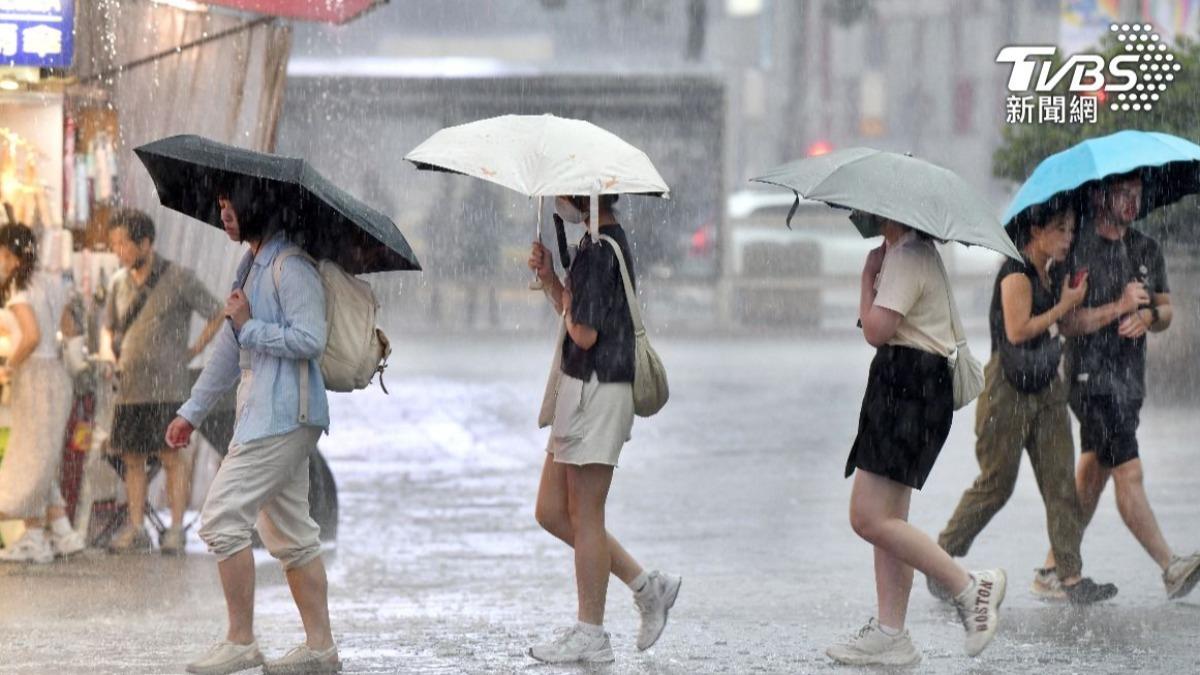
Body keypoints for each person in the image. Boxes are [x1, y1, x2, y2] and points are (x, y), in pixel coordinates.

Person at [165, 186, 339, 675]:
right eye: (219, 205)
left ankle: (241, 641)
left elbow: (310, 338)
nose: (223, 214)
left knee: (221, 519)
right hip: (262, 413)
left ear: (257, 207)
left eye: (230, 205)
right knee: (292, 536)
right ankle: (321, 649)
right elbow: (229, 345)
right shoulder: (251, 266)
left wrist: (250, 325)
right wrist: (192, 410)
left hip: (283, 416)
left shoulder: (290, 266)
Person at [826, 214, 1004, 667]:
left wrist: (867, 277)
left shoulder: (906, 256)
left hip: (906, 389)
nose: (861, 216)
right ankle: (891, 633)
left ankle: (968, 586)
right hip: (914, 390)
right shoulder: (916, 254)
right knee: (890, 523)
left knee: (867, 518)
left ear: (888, 211)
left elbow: (875, 330)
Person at [932, 198, 1117, 604]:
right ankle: (940, 556)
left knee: (1060, 483)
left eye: (1071, 230)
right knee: (997, 485)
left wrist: (1094, 305)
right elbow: (1018, 332)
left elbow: (1061, 325)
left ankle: (1069, 575)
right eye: (1060, 230)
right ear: (1036, 231)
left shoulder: (1050, 274)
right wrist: (1065, 306)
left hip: (1048, 385)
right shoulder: (1014, 272)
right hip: (1008, 390)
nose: (1069, 239)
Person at [525, 195, 681, 665]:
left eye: (561, 195)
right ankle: (646, 586)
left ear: (580, 198)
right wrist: (554, 280)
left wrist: (568, 290)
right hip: (583, 389)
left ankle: (591, 632)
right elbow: (577, 318)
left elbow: (585, 333)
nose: (557, 203)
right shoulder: (596, 244)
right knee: (552, 511)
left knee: (586, 515)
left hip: (598, 390)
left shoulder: (597, 250)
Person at [1044, 172, 1200, 600]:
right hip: (1090, 380)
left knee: (1093, 473)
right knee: (1128, 469)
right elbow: (1067, 322)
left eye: (1137, 194)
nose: (1132, 202)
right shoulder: (1080, 250)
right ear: (1098, 195)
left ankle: (1052, 568)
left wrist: (1149, 317)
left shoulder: (1146, 248)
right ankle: (1170, 566)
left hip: (1130, 380)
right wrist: (1120, 307)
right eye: (1122, 194)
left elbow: (1165, 310)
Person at [102, 209, 224, 555]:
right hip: (129, 388)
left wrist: (193, 350)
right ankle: (137, 527)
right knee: (132, 458)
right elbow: (108, 326)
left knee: (171, 457)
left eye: (123, 243)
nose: (118, 251)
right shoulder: (118, 283)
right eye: (114, 244)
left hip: (168, 387)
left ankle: (174, 529)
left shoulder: (179, 278)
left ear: (146, 243)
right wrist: (111, 356)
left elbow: (218, 313)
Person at [0, 224, 85, 563]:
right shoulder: (51, 284)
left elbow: (31, 336)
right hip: (56, 376)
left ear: (13, 256)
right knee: (43, 457)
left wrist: (9, 364)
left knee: (29, 459)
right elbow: (69, 327)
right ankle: (59, 533)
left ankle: (34, 535)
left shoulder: (20, 294)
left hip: (34, 378)